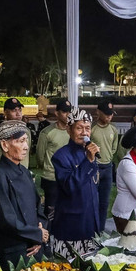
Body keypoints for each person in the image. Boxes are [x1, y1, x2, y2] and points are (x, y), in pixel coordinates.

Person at [0, 121, 48, 271]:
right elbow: (6, 219)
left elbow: (37, 206)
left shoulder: (25, 171)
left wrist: (40, 233)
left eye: (26, 141)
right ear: (5, 145)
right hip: (13, 249)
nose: (26, 147)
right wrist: (35, 234)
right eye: (20, 141)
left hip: (34, 245)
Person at [50, 107, 101, 258]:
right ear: (68, 129)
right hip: (71, 226)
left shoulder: (89, 153)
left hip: (91, 224)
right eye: (79, 128)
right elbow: (69, 186)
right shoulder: (61, 156)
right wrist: (88, 161)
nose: (84, 133)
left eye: (87, 128)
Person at [0, 98, 29, 246]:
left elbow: (27, 153)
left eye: (19, 110)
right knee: (2, 215)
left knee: (23, 212)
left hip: (22, 176)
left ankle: (26, 239)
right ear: (5, 113)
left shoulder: (26, 130)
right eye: (14, 110)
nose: (18, 113)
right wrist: (0, 172)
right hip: (4, 177)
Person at [36, 99, 72, 223]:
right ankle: (48, 238)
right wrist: (47, 168)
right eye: (64, 112)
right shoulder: (47, 132)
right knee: (50, 213)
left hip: (69, 177)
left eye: (69, 112)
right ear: (57, 113)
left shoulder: (74, 132)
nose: (68, 115)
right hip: (51, 178)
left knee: (67, 210)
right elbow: (40, 156)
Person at [91, 101, 119, 231]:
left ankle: (100, 230)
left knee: (104, 203)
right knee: (91, 201)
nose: (109, 117)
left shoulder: (113, 129)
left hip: (108, 168)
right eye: (106, 114)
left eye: (111, 115)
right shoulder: (91, 129)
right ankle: (91, 229)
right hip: (93, 168)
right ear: (98, 112)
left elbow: (114, 148)